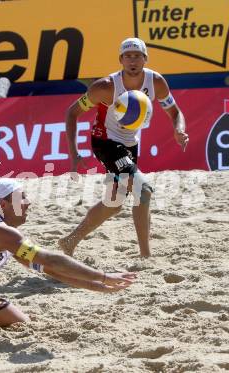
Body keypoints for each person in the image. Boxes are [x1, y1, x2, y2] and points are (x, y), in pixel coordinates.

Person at [0, 178, 137, 336]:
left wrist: (95, 285)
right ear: (3, 204)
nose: (28, 202)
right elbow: (50, 259)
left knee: (20, 322)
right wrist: (103, 275)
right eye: (22, 197)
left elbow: (44, 268)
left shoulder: (4, 236)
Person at [58, 37, 189, 258]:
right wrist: (74, 154)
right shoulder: (106, 87)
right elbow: (72, 113)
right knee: (143, 190)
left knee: (114, 203)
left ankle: (70, 241)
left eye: (137, 55)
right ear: (121, 59)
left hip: (130, 143)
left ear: (145, 59)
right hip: (105, 142)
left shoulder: (156, 82)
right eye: (128, 56)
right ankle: (146, 257)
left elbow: (176, 112)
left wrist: (179, 129)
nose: (132, 60)